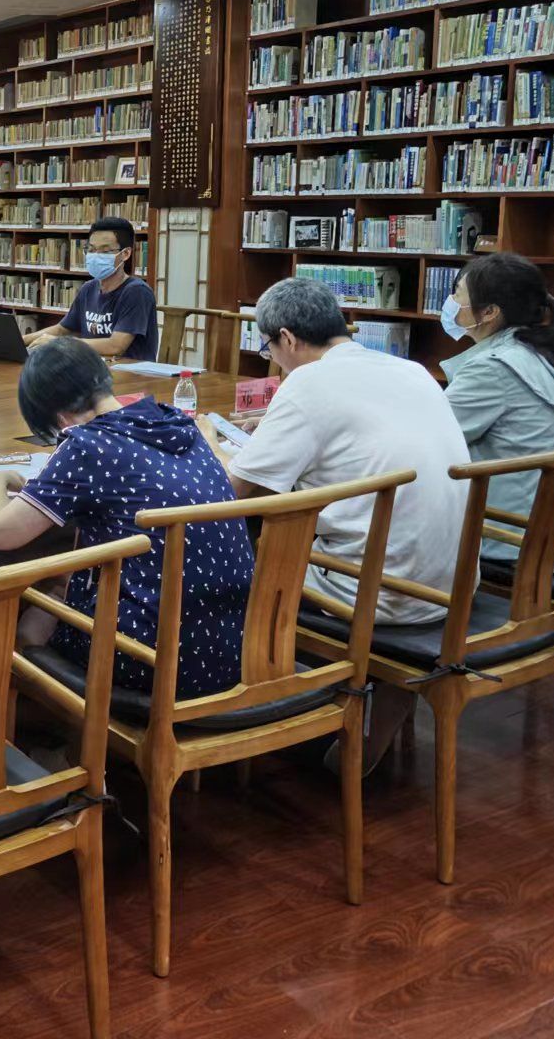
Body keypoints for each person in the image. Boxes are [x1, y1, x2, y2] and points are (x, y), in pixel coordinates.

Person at [208, 278, 472, 768]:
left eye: (269, 348)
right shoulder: (411, 371)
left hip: (375, 591)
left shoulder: (308, 383)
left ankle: (264, 710)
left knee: (238, 561)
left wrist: (208, 440)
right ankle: (384, 705)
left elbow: (238, 493)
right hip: (450, 583)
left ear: (287, 339)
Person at [0, 338, 253, 698]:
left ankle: (38, 726)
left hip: (152, 662)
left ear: (59, 419)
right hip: (235, 646)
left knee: (32, 607)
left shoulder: (86, 445)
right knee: (65, 581)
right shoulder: (176, 423)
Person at [440, 253, 554, 571]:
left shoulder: (493, 369)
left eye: (458, 294)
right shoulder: (553, 354)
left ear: (489, 312)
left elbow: (432, 437)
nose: (450, 303)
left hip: (521, 543)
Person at [24, 216, 158, 360]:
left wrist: (59, 343)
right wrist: (21, 340)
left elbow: (116, 346)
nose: (96, 256)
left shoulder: (137, 292)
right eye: (91, 249)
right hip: (92, 367)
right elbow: (63, 329)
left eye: (105, 251)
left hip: (129, 371)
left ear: (125, 254)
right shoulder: (89, 288)